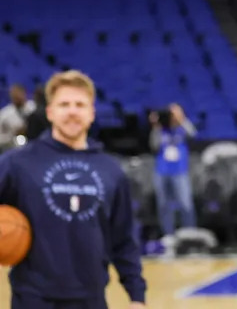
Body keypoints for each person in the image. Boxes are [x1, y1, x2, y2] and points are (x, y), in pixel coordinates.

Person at [0, 69, 146, 309]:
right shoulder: (18, 163)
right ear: (50, 112)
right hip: (33, 298)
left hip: (91, 299)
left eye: (80, 105)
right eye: (64, 104)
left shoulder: (111, 169)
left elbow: (124, 238)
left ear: (91, 113)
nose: (72, 111)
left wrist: (137, 296)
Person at [150, 102, 197, 242]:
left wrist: (181, 118)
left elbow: (193, 134)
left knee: (185, 204)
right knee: (164, 205)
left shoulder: (181, 130)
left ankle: (190, 235)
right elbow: (154, 145)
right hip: (162, 172)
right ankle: (168, 236)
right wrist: (155, 126)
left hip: (180, 172)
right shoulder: (161, 131)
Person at [0, 84, 37, 150]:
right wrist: (12, 135)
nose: (17, 97)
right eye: (14, 95)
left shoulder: (33, 107)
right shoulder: (4, 114)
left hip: (36, 143)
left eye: (19, 94)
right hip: (15, 148)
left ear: (24, 93)